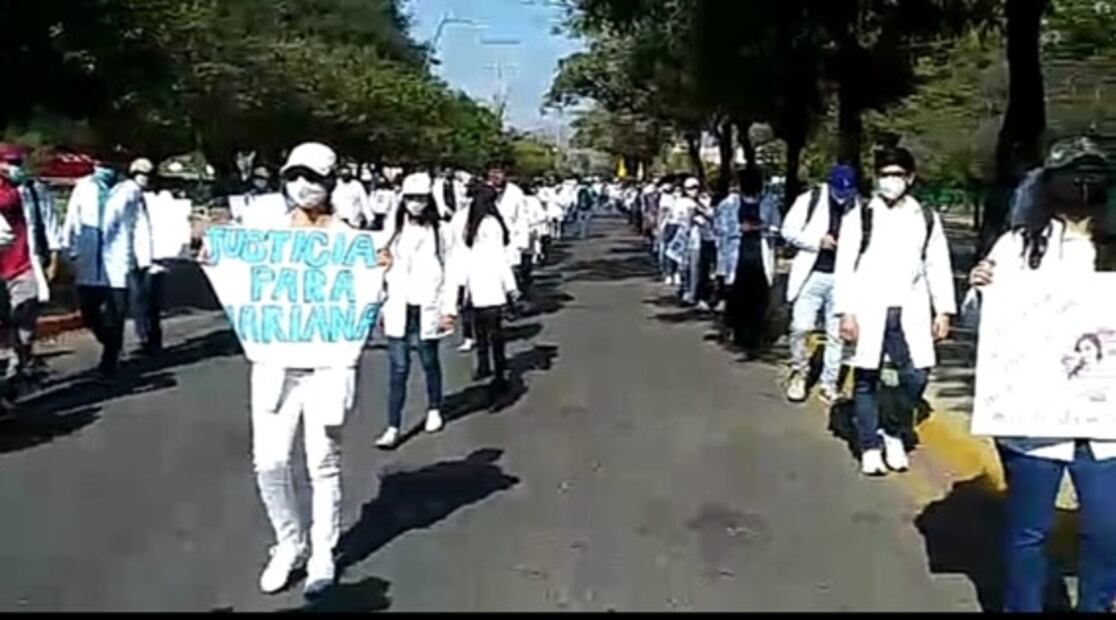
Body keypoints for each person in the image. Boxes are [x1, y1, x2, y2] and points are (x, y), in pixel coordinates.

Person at [967, 136, 1116, 613]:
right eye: (1074, 174)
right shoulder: (1017, 245)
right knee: (1029, 532)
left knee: (1106, 529)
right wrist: (981, 286)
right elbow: (981, 323)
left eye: (1093, 175)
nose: (1083, 185)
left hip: (1104, 426)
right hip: (1033, 424)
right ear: (1049, 185)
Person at [222, 142, 374, 599]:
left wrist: (379, 269)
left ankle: (324, 550)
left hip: (326, 369)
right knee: (268, 461)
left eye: (313, 177)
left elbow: (367, 291)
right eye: (294, 176)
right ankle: (290, 543)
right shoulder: (265, 237)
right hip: (274, 367)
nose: (303, 186)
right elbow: (234, 274)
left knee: (322, 463)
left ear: (330, 183)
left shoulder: (349, 240)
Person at [833, 146, 955, 477]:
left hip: (911, 307)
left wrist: (943, 310)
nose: (891, 181)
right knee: (866, 378)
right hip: (868, 306)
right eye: (885, 174)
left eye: (897, 174)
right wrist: (845, 312)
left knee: (916, 375)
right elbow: (844, 266)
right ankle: (870, 445)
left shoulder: (925, 216)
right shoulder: (861, 215)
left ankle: (894, 430)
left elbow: (937, 264)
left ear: (910, 178)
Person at [374, 172, 456, 450]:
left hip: (427, 302)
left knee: (428, 359)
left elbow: (451, 269)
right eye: (410, 198)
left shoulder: (440, 230)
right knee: (398, 368)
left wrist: (449, 308)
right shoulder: (393, 228)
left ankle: (434, 408)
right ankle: (392, 426)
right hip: (398, 303)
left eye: (421, 199)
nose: (415, 204)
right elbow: (377, 260)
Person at [62, 156, 152, 379]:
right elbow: (72, 219)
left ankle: (110, 359)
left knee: (116, 313)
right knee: (89, 313)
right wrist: (68, 250)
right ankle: (109, 341)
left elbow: (140, 224)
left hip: (118, 261)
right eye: (102, 164)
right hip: (88, 260)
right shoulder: (83, 187)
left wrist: (144, 258)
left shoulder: (130, 190)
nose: (105, 168)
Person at [782, 164, 860, 404]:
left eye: (847, 192)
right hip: (812, 274)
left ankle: (829, 384)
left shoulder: (858, 207)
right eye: (839, 190)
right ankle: (799, 372)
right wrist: (817, 242)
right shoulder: (810, 199)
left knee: (836, 335)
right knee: (801, 328)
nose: (843, 196)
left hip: (841, 277)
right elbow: (788, 231)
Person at [449, 184, 519, 400]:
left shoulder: (461, 219)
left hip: (470, 282)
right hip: (491, 283)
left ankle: (482, 366)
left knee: (479, 330)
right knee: (495, 333)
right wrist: (511, 286)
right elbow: (499, 258)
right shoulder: (492, 224)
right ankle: (499, 373)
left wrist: (458, 285)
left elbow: (456, 252)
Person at [0, 144, 62, 383]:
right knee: (5, 324)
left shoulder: (34, 191)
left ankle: (15, 374)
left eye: (18, 163)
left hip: (25, 265)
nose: (15, 168)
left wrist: (54, 260)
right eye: (10, 163)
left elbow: (50, 224)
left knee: (24, 325)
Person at [723, 167, 782, 356]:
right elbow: (721, 228)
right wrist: (739, 229)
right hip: (738, 256)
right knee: (738, 296)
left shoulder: (769, 203)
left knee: (759, 297)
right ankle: (739, 334)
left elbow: (778, 227)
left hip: (760, 255)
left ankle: (756, 335)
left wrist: (762, 227)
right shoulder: (729, 204)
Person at [488, 165, 530, 297]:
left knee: (510, 270)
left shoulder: (515, 192)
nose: (496, 176)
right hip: (487, 237)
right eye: (493, 172)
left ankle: (510, 302)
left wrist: (522, 241)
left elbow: (522, 217)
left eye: (499, 172)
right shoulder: (483, 191)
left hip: (511, 238)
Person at [331, 164, 369, 229]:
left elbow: (364, 202)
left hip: (353, 222)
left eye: (347, 174)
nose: (345, 176)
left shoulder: (357, 185)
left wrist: (369, 218)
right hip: (337, 221)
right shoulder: (336, 184)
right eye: (343, 174)